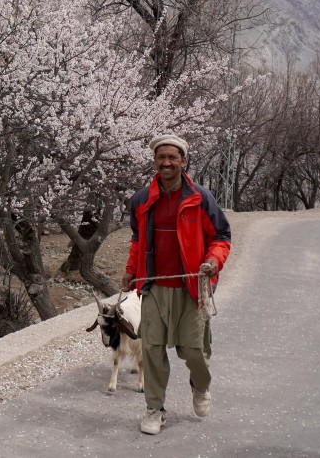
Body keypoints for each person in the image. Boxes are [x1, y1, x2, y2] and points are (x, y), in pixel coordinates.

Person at [121, 134, 231, 436]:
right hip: (154, 288)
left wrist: (212, 261)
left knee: (194, 350)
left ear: (184, 161)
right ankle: (154, 409)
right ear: (155, 161)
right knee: (153, 350)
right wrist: (131, 271)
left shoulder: (201, 198)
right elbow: (136, 240)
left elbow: (221, 238)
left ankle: (200, 385)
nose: (166, 162)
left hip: (191, 288)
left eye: (173, 157)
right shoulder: (142, 199)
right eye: (161, 157)